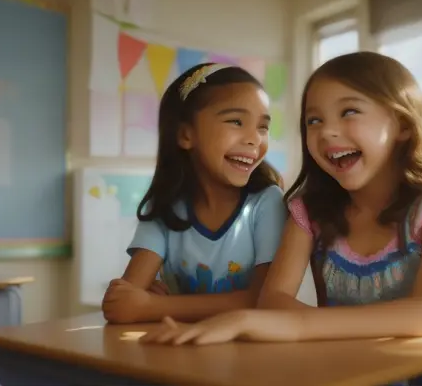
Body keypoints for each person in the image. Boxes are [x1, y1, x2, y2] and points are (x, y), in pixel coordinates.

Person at [140, 53, 422, 372]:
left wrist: (275, 323)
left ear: (403, 124)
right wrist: (268, 320)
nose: (327, 131)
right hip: (350, 369)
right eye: (313, 120)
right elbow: (273, 300)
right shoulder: (308, 211)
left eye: (348, 112)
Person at [101, 63, 287, 324]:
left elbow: (264, 300)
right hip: (183, 352)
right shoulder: (165, 208)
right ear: (186, 134)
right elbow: (123, 301)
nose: (255, 139)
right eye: (236, 121)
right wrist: (143, 301)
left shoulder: (267, 202)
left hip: (250, 357)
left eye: (262, 127)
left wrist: (157, 306)